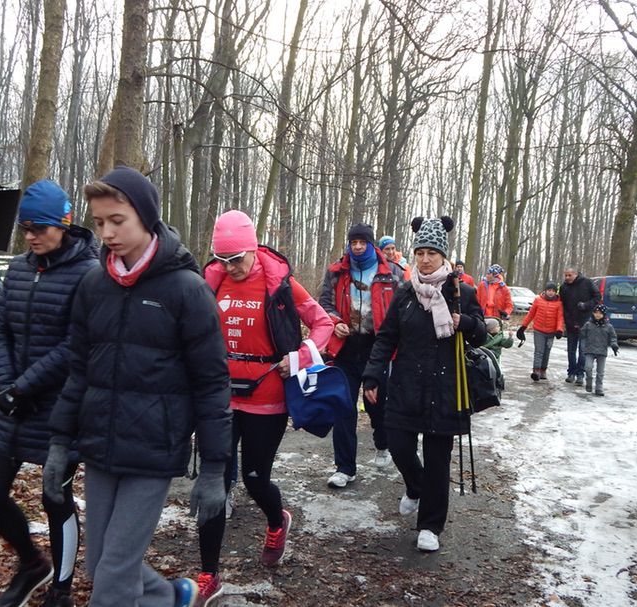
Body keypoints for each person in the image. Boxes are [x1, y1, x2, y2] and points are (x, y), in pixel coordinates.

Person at [45, 167, 231, 607]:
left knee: (112, 577)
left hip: (153, 450)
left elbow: (211, 384)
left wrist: (214, 469)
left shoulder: (187, 290)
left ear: (146, 218)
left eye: (117, 220)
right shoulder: (94, 285)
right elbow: (79, 371)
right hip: (100, 446)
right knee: (100, 564)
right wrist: (59, 442)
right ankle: (171, 597)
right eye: (99, 222)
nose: (106, 233)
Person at [196, 210, 333, 602]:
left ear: (253, 249)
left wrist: (300, 357)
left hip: (267, 398)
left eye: (236, 258)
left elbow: (322, 323)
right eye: (222, 259)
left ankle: (276, 521)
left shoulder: (279, 283)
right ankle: (208, 574)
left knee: (255, 479)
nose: (230, 267)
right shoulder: (211, 282)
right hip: (221, 397)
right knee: (214, 483)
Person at [0, 180, 99, 607]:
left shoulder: (88, 273)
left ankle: (61, 590)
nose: (30, 236)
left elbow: (77, 344)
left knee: (55, 496)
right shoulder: (19, 269)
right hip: (13, 403)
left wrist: (25, 386)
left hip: (59, 407)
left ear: (63, 225)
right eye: (24, 228)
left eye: (38, 228)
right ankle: (32, 563)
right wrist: (5, 385)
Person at [362, 216, 487, 552]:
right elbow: (387, 337)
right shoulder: (405, 293)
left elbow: (482, 334)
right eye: (420, 252)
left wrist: (465, 322)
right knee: (398, 445)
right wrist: (372, 374)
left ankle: (431, 525)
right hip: (407, 385)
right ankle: (415, 486)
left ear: (443, 255)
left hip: (446, 388)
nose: (425, 259)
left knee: (437, 459)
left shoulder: (462, 292)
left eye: (432, 253)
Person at [318, 223, 405, 487]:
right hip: (345, 347)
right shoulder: (336, 271)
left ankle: (382, 442)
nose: (357, 247)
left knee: (376, 403)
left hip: (377, 348)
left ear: (371, 244)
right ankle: (345, 468)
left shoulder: (392, 273)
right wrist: (335, 321)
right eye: (353, 242)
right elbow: (324, 303)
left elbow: (403, 308)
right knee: (343, 407)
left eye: (362, 242)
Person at [559, 266, 601, 386]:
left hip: (585, 322)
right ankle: (571, 372)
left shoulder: (587, 283)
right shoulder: (563, 287)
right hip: (570, 323)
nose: (567, 278)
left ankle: (580, 374)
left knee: (583, 350)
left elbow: (597, 297)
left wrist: (586, 305)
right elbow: (562, 305)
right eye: (565, 275)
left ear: (576, 274)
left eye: (569, 275)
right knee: (571, 350)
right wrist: (566, 320)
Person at [516, 282, 565, 381]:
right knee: (539, 351)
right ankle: (536, 371)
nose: (551, 292)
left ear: (556, 292)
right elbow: (531, 314)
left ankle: (543, 370)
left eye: (553, 291)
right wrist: (523, 327)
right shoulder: (538, 300)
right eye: (549, 290)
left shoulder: (559, 303)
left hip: (551, 332)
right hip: (539, 330)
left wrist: (559, 329)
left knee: (546, 352)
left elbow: (560, 318)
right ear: (545, 291)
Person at [580, 304, 619, 396]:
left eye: (600, 313)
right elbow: (582, 334)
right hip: (589, 350)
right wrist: (579, 330)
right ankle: (589, 381)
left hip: (602, 351)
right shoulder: (588, 324)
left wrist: (614, 344)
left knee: (600, 372)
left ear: (604, 315)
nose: (597, 315)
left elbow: (613, 337)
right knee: (588, 368)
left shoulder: (608, 326)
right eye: (596, 313)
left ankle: (599, 387)